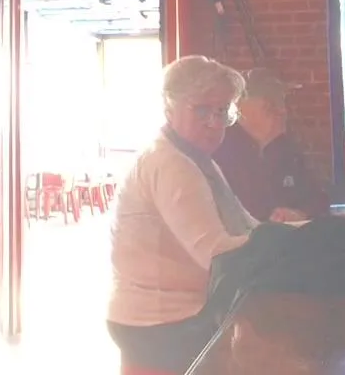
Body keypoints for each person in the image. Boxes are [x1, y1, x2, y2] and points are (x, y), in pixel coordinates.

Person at [106, 55, 256, 373]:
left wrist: (302, 231)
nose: (214, 123)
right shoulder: (171, 163)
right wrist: (287, 241)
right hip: (160, 320)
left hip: (169, 314)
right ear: (169, 107)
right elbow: (216, 255)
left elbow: (247, 225)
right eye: (202, 110)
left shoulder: (195, 159)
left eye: (222, 111)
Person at [213, 69, 329, 223]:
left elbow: (319, 199)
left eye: (282, 102)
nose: (283, 111)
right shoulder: (221, 151)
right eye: (271, 105)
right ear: (241, 108)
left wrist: (300, 213)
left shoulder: (287, 149)